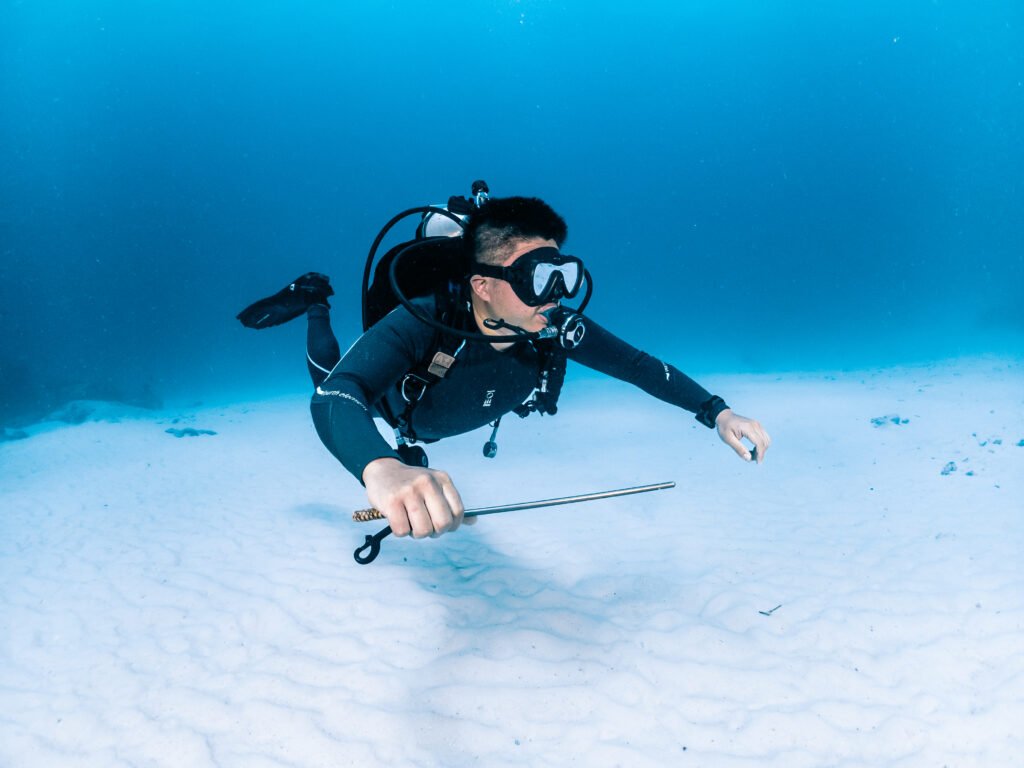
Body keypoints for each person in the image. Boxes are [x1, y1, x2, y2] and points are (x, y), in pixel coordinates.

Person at [238, 196, 771, 541]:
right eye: (539, 278)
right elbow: (337, 396)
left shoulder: (553, 325)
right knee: (327, 371)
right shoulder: (425, 320)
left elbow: (635, 365)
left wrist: (716, 411)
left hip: (453, 409)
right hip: (399, 412)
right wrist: (381, 467)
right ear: (483, 285)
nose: (557, 295)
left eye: (563, 273)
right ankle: (314, 301)